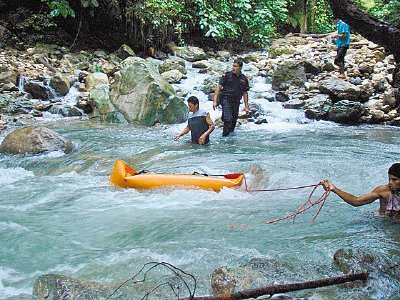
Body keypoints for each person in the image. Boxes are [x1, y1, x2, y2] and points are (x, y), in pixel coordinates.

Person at [321, 163, 400, 221]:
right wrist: (334, 189)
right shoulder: (383, 191)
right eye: (389, 179)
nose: (390, 182)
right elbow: (356, 201)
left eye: (394, 180)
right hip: (381, 220)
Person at [213, 59, 250, 136]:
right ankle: (224, 137)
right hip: (226, 99)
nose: (233, 68)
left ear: (240, 68)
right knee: (228, 119)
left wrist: (246, 107)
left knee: (233, 121)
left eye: (235, 66)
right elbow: (219, 87)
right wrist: (215, 101)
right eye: (233, 65)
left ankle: (230, 140)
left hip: (236, 101)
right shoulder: (227, 75)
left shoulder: (243, 79)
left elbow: (245, 92)